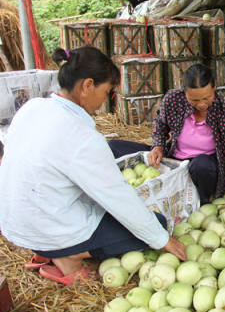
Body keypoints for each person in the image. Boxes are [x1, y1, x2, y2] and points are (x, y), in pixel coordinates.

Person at [0, 47, 185, 285]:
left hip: (15, 224)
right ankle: (68, 255)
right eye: (106, 91)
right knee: (155, 226)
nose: (105, 100)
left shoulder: (32, 107)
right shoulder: (81, 136)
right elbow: (117, 197)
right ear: (87, 85)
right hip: (48, 227)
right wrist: (163, 240)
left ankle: (47, 249)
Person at [109, 64, 225, 209]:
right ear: (184, 92)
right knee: (114, 147)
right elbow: (161, 125)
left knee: (202, 165)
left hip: (204, 169)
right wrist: (158, 146)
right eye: (195, 99)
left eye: (206, 98)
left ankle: (203, 202)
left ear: (214, 88)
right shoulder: (173, 99)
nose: (202, 104)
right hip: (174, 161)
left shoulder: (224, 111)